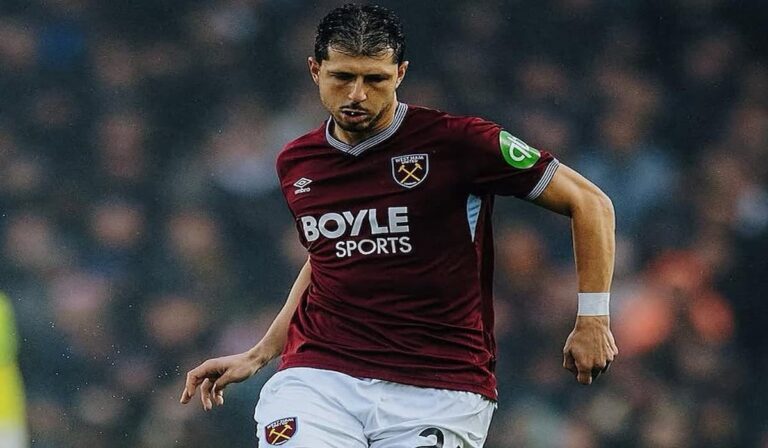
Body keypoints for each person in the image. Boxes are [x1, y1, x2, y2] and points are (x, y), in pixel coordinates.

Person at [180, 4, 618, 447]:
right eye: (342, 77)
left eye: (375, 79)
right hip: (321, 375)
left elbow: (591, 203)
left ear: (400, 73)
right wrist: (260, 354)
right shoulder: (297, 160)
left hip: (440, 385)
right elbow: (328, 261)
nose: (356, 94)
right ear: (315, 70)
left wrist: (594, 318)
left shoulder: (458, 142)